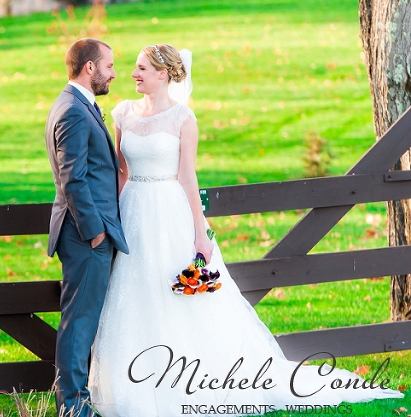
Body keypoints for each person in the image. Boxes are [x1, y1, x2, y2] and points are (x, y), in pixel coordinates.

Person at [87, 44, 404, 416]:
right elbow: (121, 172)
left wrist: (200, 233)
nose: (133, 74)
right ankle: (131, 385)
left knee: (176, 294)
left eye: (141, 68)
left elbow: (188, 179)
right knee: (134, 291)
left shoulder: (182, 119)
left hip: (169, 213)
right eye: (134, 68)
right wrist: (113, 220)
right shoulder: (123, 113)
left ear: (163, 74)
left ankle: (187, 380)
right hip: (133, 212)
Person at [45, 38, 130, 417]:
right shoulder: (74, 111)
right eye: (109, 65)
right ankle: (73, 406)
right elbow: (72, 178)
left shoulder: (77, 105)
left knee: (82, 317)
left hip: (88, 233)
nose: (114, 72)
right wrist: (95, 231)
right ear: (89, 68)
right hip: (85, 235)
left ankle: (76, 399)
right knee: (79, 321)